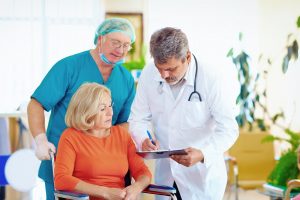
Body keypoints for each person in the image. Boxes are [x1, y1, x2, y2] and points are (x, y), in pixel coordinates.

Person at [27, 18, 136, 199]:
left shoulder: (125, 78)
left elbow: (125, 122)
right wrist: (40, 140)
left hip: (104, 168)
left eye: (126, 45)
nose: (121, 50)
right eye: (116, 43)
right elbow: (37, 104)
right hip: (65, 162)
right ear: (100, 39)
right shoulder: (69, 67)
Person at [129, 27, 239, 200]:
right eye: (160, 68)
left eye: (171, 69)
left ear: (187, 57)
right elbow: (137, 118)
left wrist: (203, 153)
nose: (164, 75)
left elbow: (229, 129)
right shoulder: (149, 73)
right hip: (166, 176)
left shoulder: (211, 78)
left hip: (201, 178)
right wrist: (143, 139)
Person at [54, 82, 151, 200]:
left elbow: (143, 172)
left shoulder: (121, 135)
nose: (110, 113)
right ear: (86, 111)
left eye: (110, 106)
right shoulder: (70, 137)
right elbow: (61, 179)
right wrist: (105, 192)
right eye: (102, 109)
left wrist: (136, 188)